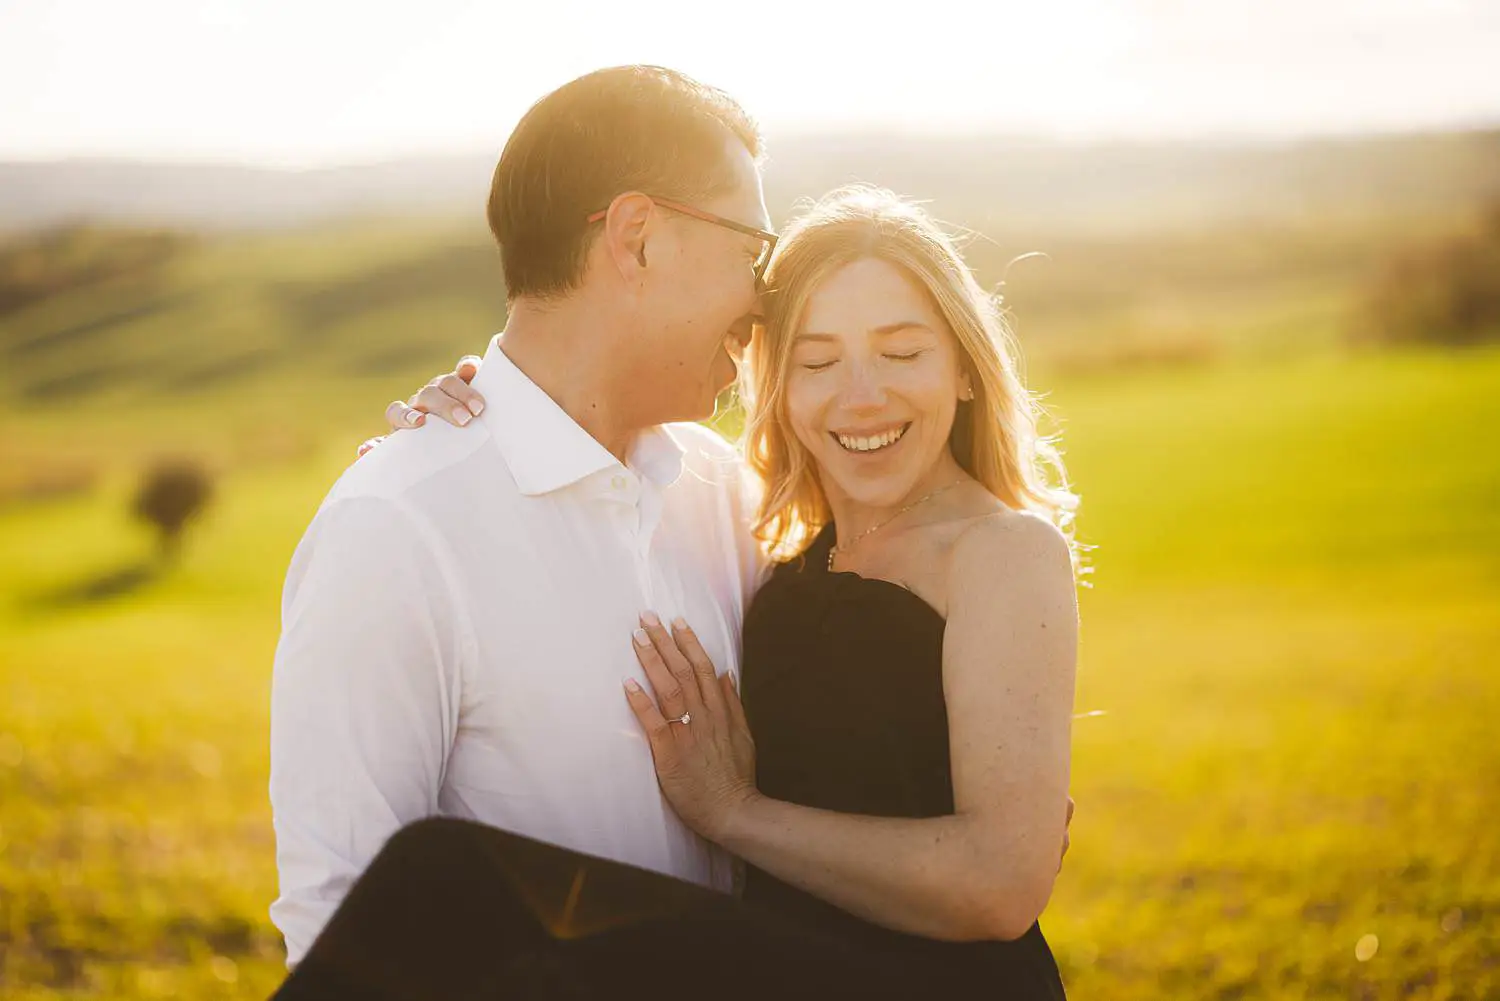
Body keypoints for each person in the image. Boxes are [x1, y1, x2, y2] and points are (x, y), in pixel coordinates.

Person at [309, 184, 1080, 1000]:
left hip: (932, 982)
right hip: (778, 962)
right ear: (776, 384)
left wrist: (733, 812)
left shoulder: (1004, 551)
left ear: (964, 368)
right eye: (817, 362)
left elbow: (1001, 886)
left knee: (443, 874)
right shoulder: (760, 530)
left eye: (902, 353)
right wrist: (441, 459)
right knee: (437, 899)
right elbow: (585, 449)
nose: (862, 396)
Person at [268, 64, 772, 971]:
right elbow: (340, 928)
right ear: (638, 237)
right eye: (752, 249)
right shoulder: (395, 529)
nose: (762, 297)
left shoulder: (724, 493)